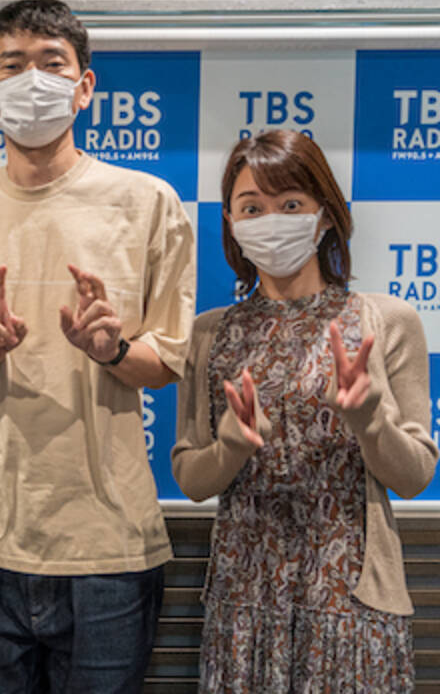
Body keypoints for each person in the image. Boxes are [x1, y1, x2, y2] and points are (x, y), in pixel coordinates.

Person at [0, 0, 196, 692]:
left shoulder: (149, 204)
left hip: (109, 547)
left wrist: (113, 351)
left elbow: (167, 364)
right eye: (13, 65)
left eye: (52, 63)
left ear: (84, 86)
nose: (33, 79)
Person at [171, 129, 437, 691]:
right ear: (231, 223)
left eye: (290, 204)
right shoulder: (209, 334)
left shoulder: (387, 321)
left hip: (354, 608)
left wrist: (369, 420)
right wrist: (231, 447)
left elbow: (414, 476)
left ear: (325, 216)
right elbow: (192, 479)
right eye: (252, 208)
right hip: (244, 608)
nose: (271, 220)